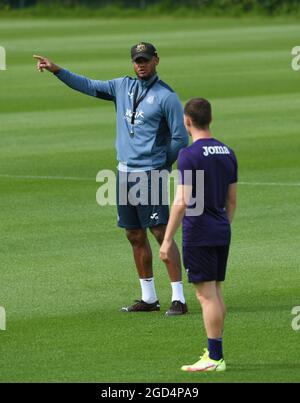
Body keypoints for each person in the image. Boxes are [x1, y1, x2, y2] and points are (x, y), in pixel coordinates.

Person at [33, 42, 189, 316]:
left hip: (149, 173)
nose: (141, 64)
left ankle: (179, 298)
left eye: (145, 60)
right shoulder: (121, 87)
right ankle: (149, 298)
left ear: (156, 61)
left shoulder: (167, 96)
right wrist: (58, 70)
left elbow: (179, 138)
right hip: (124, 173)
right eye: (137, 60)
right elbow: (89, 85)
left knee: (160, 233)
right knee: (134, 234)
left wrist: (161, 163)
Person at [160, 98, 237, 371]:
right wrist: (221, 225)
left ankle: (215, 357)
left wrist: (167, 239)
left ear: (187, 121)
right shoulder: (228, 152)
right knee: (215, 291)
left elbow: (182, 201)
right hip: (220, 229)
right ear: (210, 119)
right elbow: (232, 202)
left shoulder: (189, 155)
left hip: (199, 232)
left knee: (206, 296)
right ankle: (216, 350)